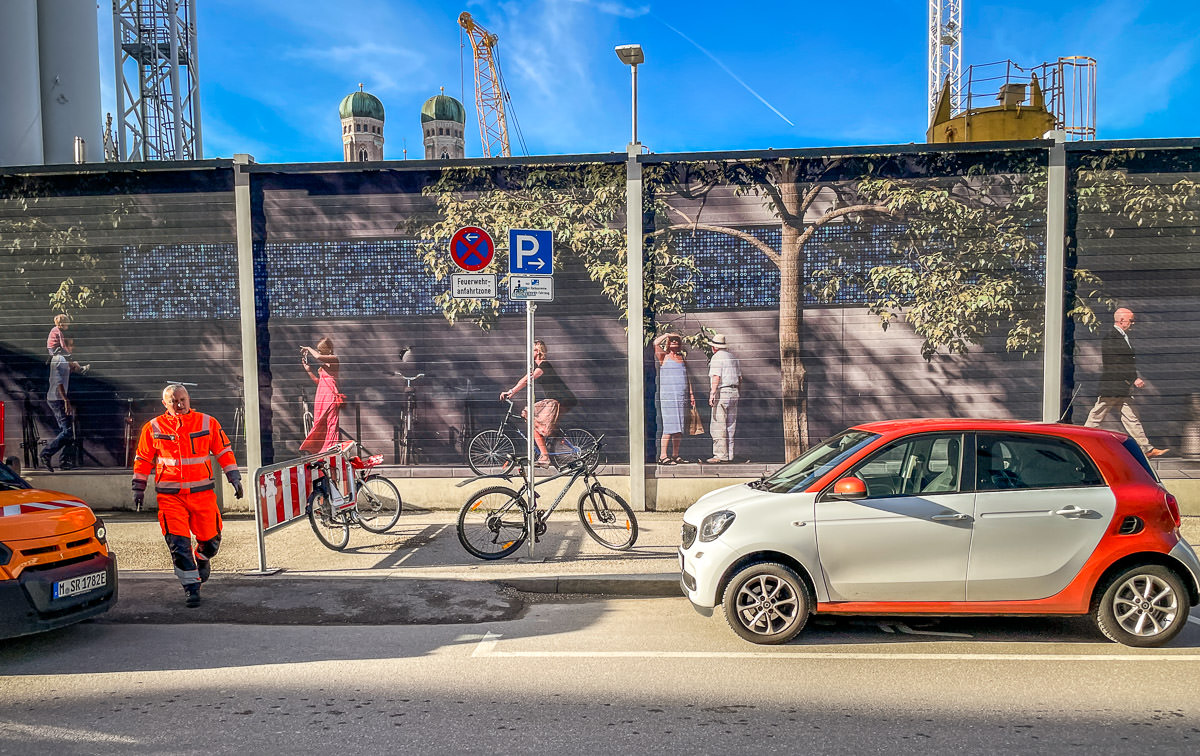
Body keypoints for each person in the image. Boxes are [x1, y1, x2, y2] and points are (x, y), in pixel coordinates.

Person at [132, 384, 243, 608]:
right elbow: (143, 459)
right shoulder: (152, 427)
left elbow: (224, 450)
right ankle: (192, 588)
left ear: (189, 399)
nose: (179, 405)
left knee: (211, 542)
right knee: (178, 545)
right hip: (170, 497)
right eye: (174, 401)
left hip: (202, 495)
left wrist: (234, 477)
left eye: (183, 400)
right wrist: (138, 487)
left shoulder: (207, 422)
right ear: (165, 404)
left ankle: (202, 558)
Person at [1084, 308, 1168, 458]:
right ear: (1121, 321)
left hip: (1120, 387)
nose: (1133, 323)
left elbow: (1125, 362)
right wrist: (1133, 378)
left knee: (1130, 417)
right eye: (1131, 320)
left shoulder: (1121, 337)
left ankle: (1147, 448)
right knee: (1096, 416)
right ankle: (1081, 442)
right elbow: (1115, 363)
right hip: (1112, 387)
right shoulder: (1111, 338)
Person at [500, 339, 576, 467]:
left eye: (532, 349)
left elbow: (527, 379)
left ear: (538, 351)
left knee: (534, 421)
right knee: (532, 419)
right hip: (554, 400)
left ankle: (545, 457)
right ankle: (556, 440)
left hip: (562, 400)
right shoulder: (538, 367)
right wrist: (512, 392)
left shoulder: (544, 366)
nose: (529, 352)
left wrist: (511, 391)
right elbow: (524, 379)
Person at [40, 338, 84, 472]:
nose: (73, 347)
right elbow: (58, 381)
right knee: (68, 431)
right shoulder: (59, 359)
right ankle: (46, 453)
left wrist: (74, 367)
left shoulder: (62, 359)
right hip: (56, 399)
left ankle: (64, 462)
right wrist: (66, 400)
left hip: (58, 398)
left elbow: (65, 372)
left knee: (69, 430)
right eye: (70, 345)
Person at [653, 332, 694, 465]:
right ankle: (663, 456)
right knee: (669, 426)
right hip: (669, 397)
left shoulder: (682, 357)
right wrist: (667, 335)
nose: (675, 342)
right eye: (673, 340)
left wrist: (691, 394)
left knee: (679, 427)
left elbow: (687, 378)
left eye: (677, 340)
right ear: (668, 343)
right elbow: (655, 343)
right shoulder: (663, 356)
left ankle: (675, 455)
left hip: (681, 396)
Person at [300, 338, 345, 454]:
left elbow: (318, 357)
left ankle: (330, 450)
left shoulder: (334, 359)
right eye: (318, 350)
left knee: (332, 424)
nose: (319, 352)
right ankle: (318, 451)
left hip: (330, 397)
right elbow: (318, 382)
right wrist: (309, 370)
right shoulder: (323, 365)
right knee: (319, 423)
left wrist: (309, 348)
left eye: (321, 350)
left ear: (328, 350)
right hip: (321, 397)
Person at [706, 333, 742, 464]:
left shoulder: (716, 358)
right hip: (734, 391)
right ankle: (730, 454)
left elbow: (716, 376)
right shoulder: (733, 358)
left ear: (714, 348)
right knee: (731, 425)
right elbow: (740, 378)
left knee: (718, 424)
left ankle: (720, 455)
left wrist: (712, 393)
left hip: (723, 391)